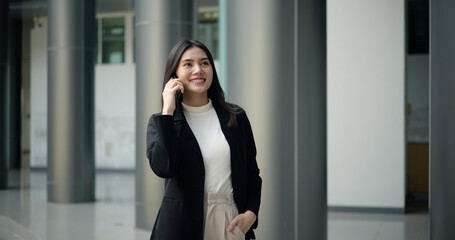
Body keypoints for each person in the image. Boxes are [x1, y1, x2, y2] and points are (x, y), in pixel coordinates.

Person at [146, 39, 262, 240]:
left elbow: (252, 173)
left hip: (229, 221)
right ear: (175, 74)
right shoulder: (163, 123)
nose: (198, 70)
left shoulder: (236, 117)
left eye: (204, 63)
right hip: (182, 224)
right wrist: (168, 111)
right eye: (188, 64)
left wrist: (251, 213)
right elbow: (164, 168)